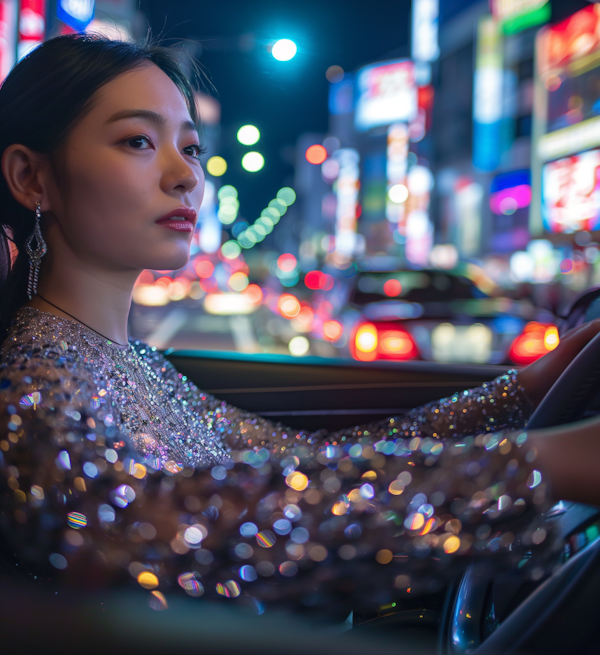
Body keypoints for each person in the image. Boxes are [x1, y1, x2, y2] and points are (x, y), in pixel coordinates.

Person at [0, 35, 599, 613]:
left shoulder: (133, 361)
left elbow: (309, 461)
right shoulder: (32, 382)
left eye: (190, 149)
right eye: (136, 141)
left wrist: (530, 386)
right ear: (32, 178)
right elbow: (143, 529)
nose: (184, 175)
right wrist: (540, 465)